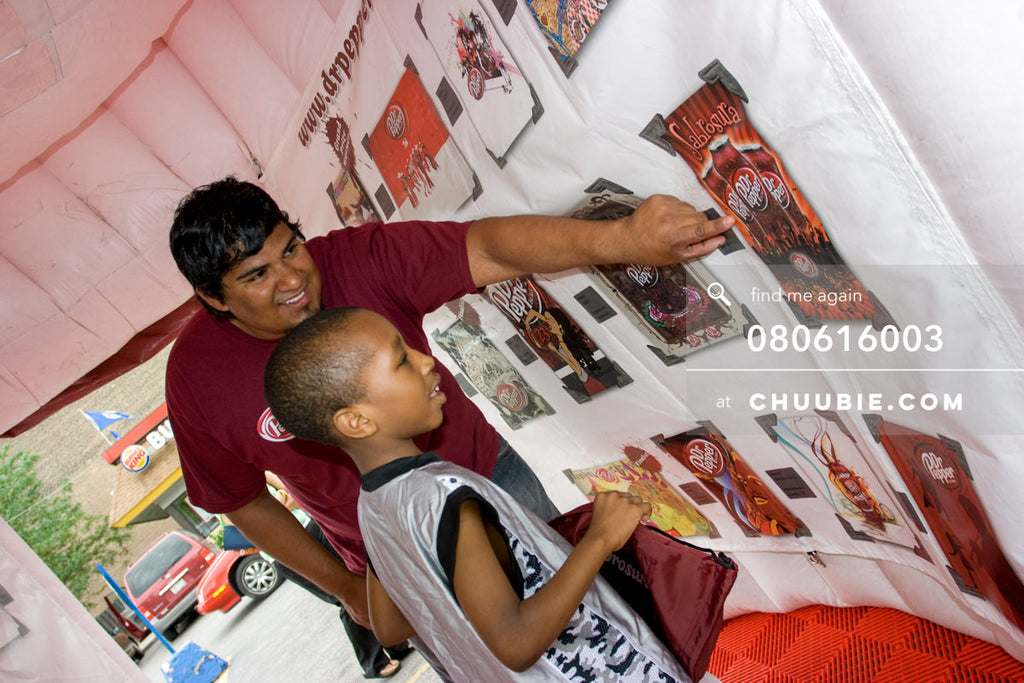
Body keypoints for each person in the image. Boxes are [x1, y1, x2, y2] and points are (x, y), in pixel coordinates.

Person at [164, 176, 732, 640]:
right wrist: (347, 587)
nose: (292, 278)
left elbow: (485, 246)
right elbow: (240, 501)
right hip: (392, 550)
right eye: (257, 275)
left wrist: (623, 238)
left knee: (596, 621)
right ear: (213, 297)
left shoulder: (355, 258)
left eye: (291, 248)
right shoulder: (195, 378)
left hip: (491, 478)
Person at [263, 307, 699, 681]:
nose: (426, 360)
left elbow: (391, 627)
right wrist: (600, 538)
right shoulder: (445, 497)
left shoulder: (373, 506)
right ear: (356, 421)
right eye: (402, 360)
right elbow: (516, 642)